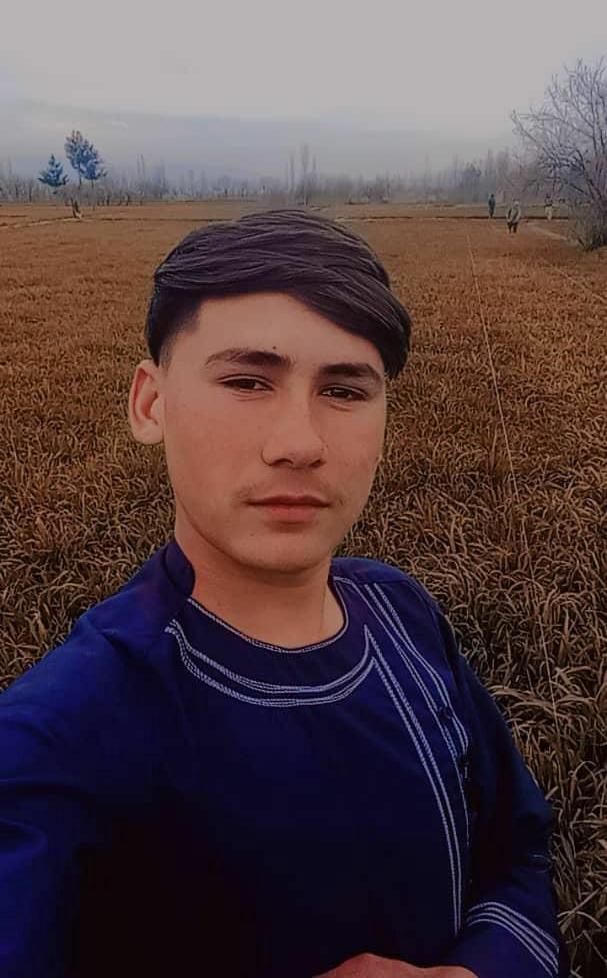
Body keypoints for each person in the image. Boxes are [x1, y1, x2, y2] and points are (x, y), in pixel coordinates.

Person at [0, 210, 568, 978]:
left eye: (344, 390)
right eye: (246, 381)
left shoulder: (402, 615)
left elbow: (518, 853)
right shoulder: (57, 737)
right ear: (150, 403)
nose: (299, 442)